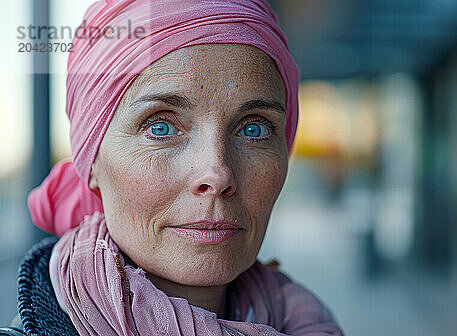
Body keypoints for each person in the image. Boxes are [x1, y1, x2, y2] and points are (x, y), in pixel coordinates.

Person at [10, 1, 344, 335]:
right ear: (91, 160)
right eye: (160, 127)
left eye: (253, 128)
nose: (217, 173)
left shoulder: (309, 321)